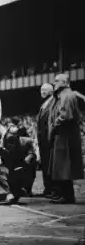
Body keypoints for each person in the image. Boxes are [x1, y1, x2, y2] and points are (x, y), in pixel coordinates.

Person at [48, 73, 83, 204]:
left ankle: (67, 196)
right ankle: (65, 194)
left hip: (64, 134)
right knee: (62, 166)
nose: (54, 83)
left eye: (57, 81)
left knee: (63, 166)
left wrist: (54, 124)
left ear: (65, 83)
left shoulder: (66, 96)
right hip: (65, 133)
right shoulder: (65, 95)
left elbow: (65, 116)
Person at [0, 125, 37, 205]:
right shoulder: (4, 141)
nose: (12, 137)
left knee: (22, 171)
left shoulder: (26, 142)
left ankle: (22, 189)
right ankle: (9, 194)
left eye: (14, 135)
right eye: (10, 135)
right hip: (9, 165)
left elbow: (32, 153)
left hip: (22, 166)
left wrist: (28, 158)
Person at [36, 83, 54, 198]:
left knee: (49, 164)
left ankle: (52, 189)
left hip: (48, 139)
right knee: (45, 164)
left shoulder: (52, 103)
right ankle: (48, 188)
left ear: (51, 91)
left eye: (45, 90)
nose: (42, 92)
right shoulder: (45, 103)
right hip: (43, 139)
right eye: (41, 89)